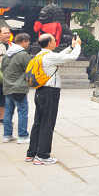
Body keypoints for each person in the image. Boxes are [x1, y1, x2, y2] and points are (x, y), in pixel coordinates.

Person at [26, 33, 81, 165]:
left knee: (38, 123)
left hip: (40, 91)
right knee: (48, 124)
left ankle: (31, 153)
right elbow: (72, 58)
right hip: (50, 92)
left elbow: (60, 56)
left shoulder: (41, 55)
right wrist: (77, 46)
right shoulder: (49, 56)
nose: (56, 42)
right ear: (50, 43)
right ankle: (43, 156)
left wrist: (70, 47)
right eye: (54, 40)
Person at [1, 33, 32, 143]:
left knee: (8, 112)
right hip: (19, 87)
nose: (28, 44)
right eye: (28, 42)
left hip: (7, 86)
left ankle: (7, 134)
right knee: (22, 112)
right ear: (23, 42)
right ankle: (23, 136)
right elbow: (29, 71)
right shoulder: (23, 55)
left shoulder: (7, 54)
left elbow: (2, 69)